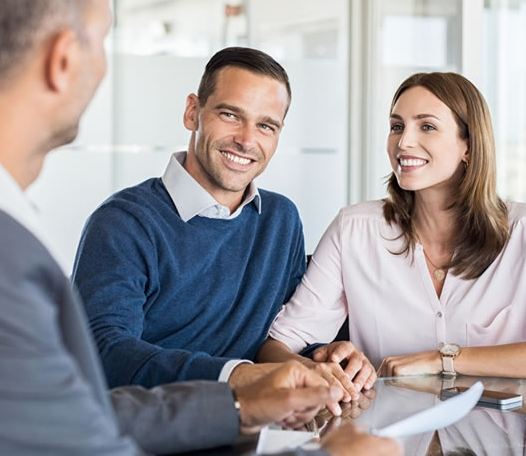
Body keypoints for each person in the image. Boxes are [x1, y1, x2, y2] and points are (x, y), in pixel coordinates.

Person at [0, 0, 400, 455]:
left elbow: (65, 417)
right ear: (63, 59)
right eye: (103, 39)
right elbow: (81, 439)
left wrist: (239, 402)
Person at [71, 46, 373, 402]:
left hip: (253, 428)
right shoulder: (123, 222)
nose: (247, 140)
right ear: (192, 112)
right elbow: (105, 354)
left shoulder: (280, 220)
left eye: (265, 125)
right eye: (230, 115)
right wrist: (238, 375)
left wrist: (327, 357)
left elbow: (280, 338)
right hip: (150, 434)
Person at [259, 72, 526, 382]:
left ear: (468, 145)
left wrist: (443, 359)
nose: (403, 142)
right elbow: (275, 347)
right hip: (387, 440)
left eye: (427, 127)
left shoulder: (525, 229)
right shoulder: (354, 230)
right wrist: (324, 377)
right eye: (396, 126)